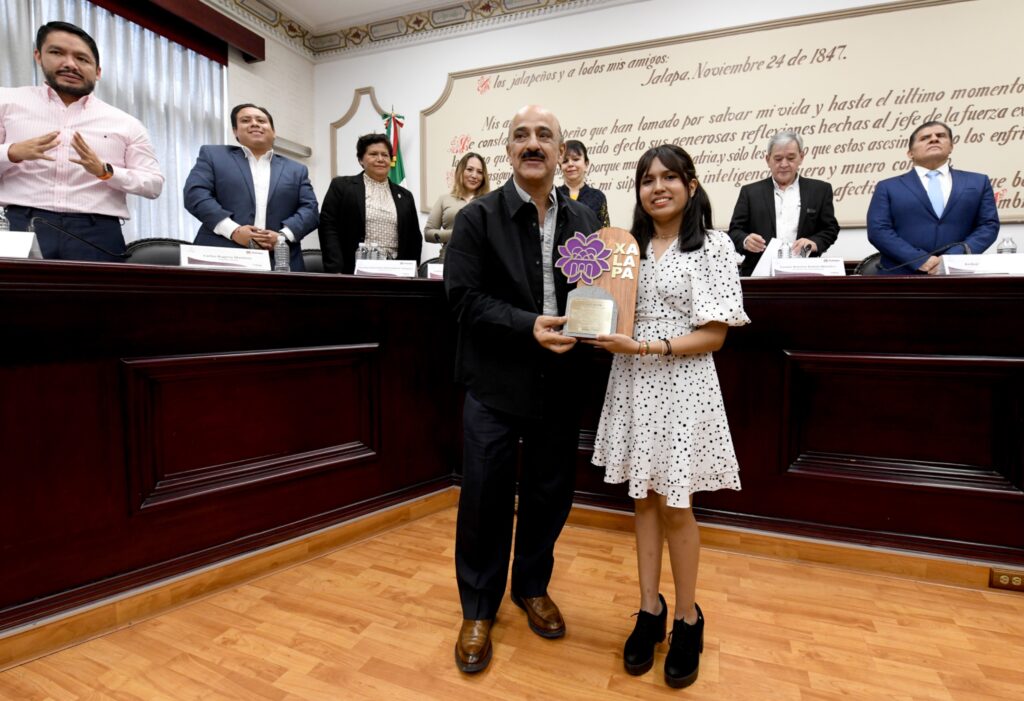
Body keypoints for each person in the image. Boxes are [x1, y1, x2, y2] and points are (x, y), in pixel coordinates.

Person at [444, 105, 600, 674]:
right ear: (507, 151)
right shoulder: (477, 218)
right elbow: (462, 300)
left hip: (561, 381)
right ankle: (478, 608)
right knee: (484, 498)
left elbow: (598, 291)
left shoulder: (585, 222)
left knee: (549, 494)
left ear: (562, 152)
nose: (532, 144)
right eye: (521, 136)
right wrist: (525, 325)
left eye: (545, 137)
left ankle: (531, 586)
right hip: (495, 382)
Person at [589, 144, 749, 689]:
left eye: (669, 178)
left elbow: (716, 334)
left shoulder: (712, 247)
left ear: (692, 185)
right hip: (632, 383)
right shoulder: (625, 251)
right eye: (647, 179)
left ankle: (687, 619)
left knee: (676, 506)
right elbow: (601, 305)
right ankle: (648, 609)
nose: (657, 187)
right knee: (642, 502)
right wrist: (587, 325)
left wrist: (647, 348)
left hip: (680, 382)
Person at [0, 21, 164, 262]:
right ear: (38, 56)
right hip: (20, 223)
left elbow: (153, 184)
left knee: (98, 300)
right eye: (56, 53)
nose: (69, 64)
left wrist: (106, 172)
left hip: (97, 232)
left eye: (82, 59)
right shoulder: (7, 102)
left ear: (98, 71)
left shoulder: (126, 123)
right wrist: (12, 152)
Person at [183, 104, 319, 271]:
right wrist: (233, 231)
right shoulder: (213, 155)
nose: (254, 123)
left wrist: (282, 237)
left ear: (273, 131)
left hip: (280, 259)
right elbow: (195, 195)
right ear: (235, 131)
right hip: (220, 254)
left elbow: (310, 210)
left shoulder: (297, 170)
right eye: (245, 120)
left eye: (261, 120)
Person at [867, 120, 999, 274]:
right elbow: (878, 230)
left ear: (951, 147)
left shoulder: (978, 182)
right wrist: (919, 259)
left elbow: (988, 226)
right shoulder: (887, 187)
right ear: (910, 153)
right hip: (901, 277)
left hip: (959, 274)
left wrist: (952, 258)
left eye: (941, 136)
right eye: (925, 138)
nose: (934, 139)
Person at [728, 130, 839, 276]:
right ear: (767, 160)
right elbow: (735, 231)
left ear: (801, 157)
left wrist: (814, 243)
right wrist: (745, 240)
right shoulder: (750, 192)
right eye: (778, 159)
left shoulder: (820, 190)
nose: (784, 164)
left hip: (805, 272)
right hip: (758, 273)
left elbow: (830, 229)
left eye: (791, 158)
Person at [319, 133, 421, 274]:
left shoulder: (405, 196)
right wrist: (335, 269)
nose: (380, 159)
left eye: (385, 155)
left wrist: (412, 272)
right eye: (373, 154)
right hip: (352, 273)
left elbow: (414, 237)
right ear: (361, 160)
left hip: (397, 274)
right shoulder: (341, 186)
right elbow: (328, 228)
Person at [424, 151, 489, 261]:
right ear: (460, 171)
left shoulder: (490, 201)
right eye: (469, 169)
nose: (474, 175)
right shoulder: (444, 199)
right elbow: (428, 234)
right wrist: (456, 233)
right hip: (449, 262)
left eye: (479, 172)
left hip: (481, 264)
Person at [557, 139, 610, 227]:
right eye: (565, 161)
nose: (570, 164)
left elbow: (605, 233)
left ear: (586, 164)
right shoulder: (554, 196)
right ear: (560, 166)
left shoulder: (598, 197)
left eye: (576, 159)